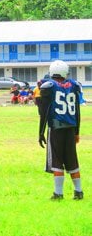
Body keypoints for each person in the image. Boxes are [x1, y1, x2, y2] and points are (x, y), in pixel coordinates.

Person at [38, 60, 83, 200]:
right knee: (72, 160)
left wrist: (40, 132)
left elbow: (44, 113)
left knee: (56, 161)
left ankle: (58, 193)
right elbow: (77, 112)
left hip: (56, 128)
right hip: (70, 128)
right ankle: (78, 191)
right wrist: (77, 132)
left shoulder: (49, 86)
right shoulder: (74, 85)